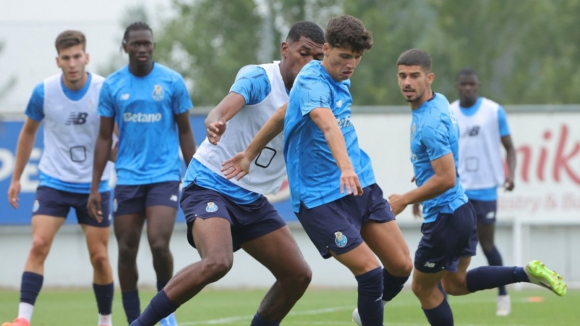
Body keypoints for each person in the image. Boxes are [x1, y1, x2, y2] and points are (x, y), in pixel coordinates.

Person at [129, 21, 325, 326]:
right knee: (218, 262)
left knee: (298, 275)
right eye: (304, 53)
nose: (310, 63)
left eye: (318, 59)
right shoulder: (259, 77)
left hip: (253, 199)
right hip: (210, 184)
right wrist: (216, 121)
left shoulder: (314, 95)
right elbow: (222, 109)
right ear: (285, 49)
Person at [222, 15, 413, 326]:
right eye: (344, 57)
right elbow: (327, 124)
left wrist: (250, 153)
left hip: (360, 185)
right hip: (320, 198)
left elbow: (283, 113)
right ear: (326, 49)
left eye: (357, 58)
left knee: (402, 266)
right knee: (370, 271)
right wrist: (345, 167)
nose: (351, 64)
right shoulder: (311, 81)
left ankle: (365, 313)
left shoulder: (340, 77)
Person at [389, 48, 567, 326]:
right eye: (402, 76)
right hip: (462, 210)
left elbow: (446, 178)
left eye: (415, 76)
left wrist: (405, 200)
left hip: (444, 217)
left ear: (429, 78)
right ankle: (524, 273)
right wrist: (424, 172)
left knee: (423, 288)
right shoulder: (440, 103)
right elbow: (443, 159)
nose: (407, 82)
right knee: (455, 284)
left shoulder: (429, 122)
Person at [87, 22, 196, 326]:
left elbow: (186, 131)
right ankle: (135, 320)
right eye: (135, 44)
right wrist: (95, 187)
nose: (142, 49)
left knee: (159, 243)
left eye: (147, 43)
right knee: (125, 250)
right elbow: (104, 138)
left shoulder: (172, 82)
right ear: (125, 47)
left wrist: (197, 175)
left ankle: (166, 312)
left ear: (153, 47)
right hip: (128, 179)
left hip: (164, 176)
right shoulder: (112, 86)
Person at [3, 31, 115, 326]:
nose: (72, 63)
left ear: (86, 57)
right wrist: (15, 179)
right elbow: (28, 131)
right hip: (54, 182)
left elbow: (115, 139)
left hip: (96, 185)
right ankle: (23, 320)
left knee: (100, 257)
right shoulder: (44, 91)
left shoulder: (105, 89)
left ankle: (105, 321)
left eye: (77, 56)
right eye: (66, 58)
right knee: (39, 244)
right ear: (58, 61)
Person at [450, 67, 516, 316]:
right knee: (452, 242)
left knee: (487, 244)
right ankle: (442, 291)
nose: (468, 88)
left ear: (478, 86)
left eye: (472, 84)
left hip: (487, 187)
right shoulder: (450, 112)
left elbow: (510, 147)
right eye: (463, 84)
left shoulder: (493, 111)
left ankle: (502, 296)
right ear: (458, 86)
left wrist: (511, 174)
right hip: (459, 190)